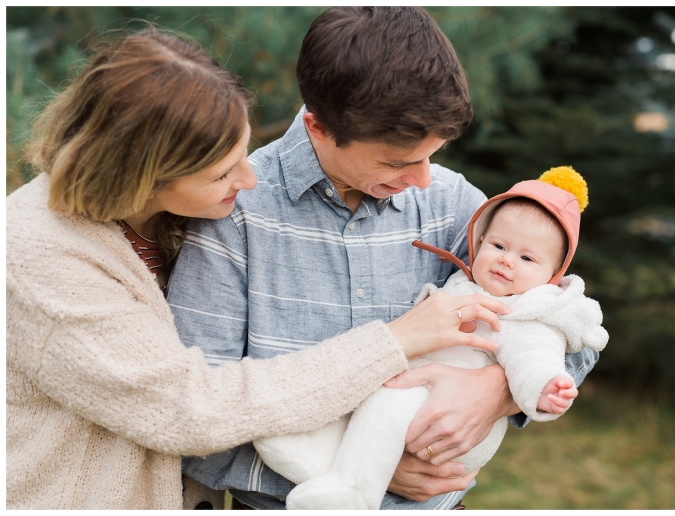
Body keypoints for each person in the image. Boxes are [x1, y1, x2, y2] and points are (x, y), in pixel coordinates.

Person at [5, 27, 512, 510]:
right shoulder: (40, 258)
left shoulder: (171, 219)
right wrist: (362, 450)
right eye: (223, 171)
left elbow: (552, 306)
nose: (250, 178)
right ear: (142, 176)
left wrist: (498, 391)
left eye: (242, 152)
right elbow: (193, 409)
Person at [167, 7, 600, 510]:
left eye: (430, 157)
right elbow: (195, 413)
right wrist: (363, 465)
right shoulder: (235, 219)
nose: (422, 180)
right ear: (320, 128)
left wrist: (496, 391)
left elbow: (570, 329)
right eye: (397, 162)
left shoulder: (452, 203)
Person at [251, 167, 609, 510]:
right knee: (363, 406)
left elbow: (536, 357)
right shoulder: (464, 283)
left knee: (390, 404)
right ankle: (327, 470)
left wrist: (536, 388)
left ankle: (353, 493)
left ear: (553, 276)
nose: (507, 261)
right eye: (499, 246)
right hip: (414, 395)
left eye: (527, 257)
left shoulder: (525, 313)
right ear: (479, 240)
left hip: (447, 423)